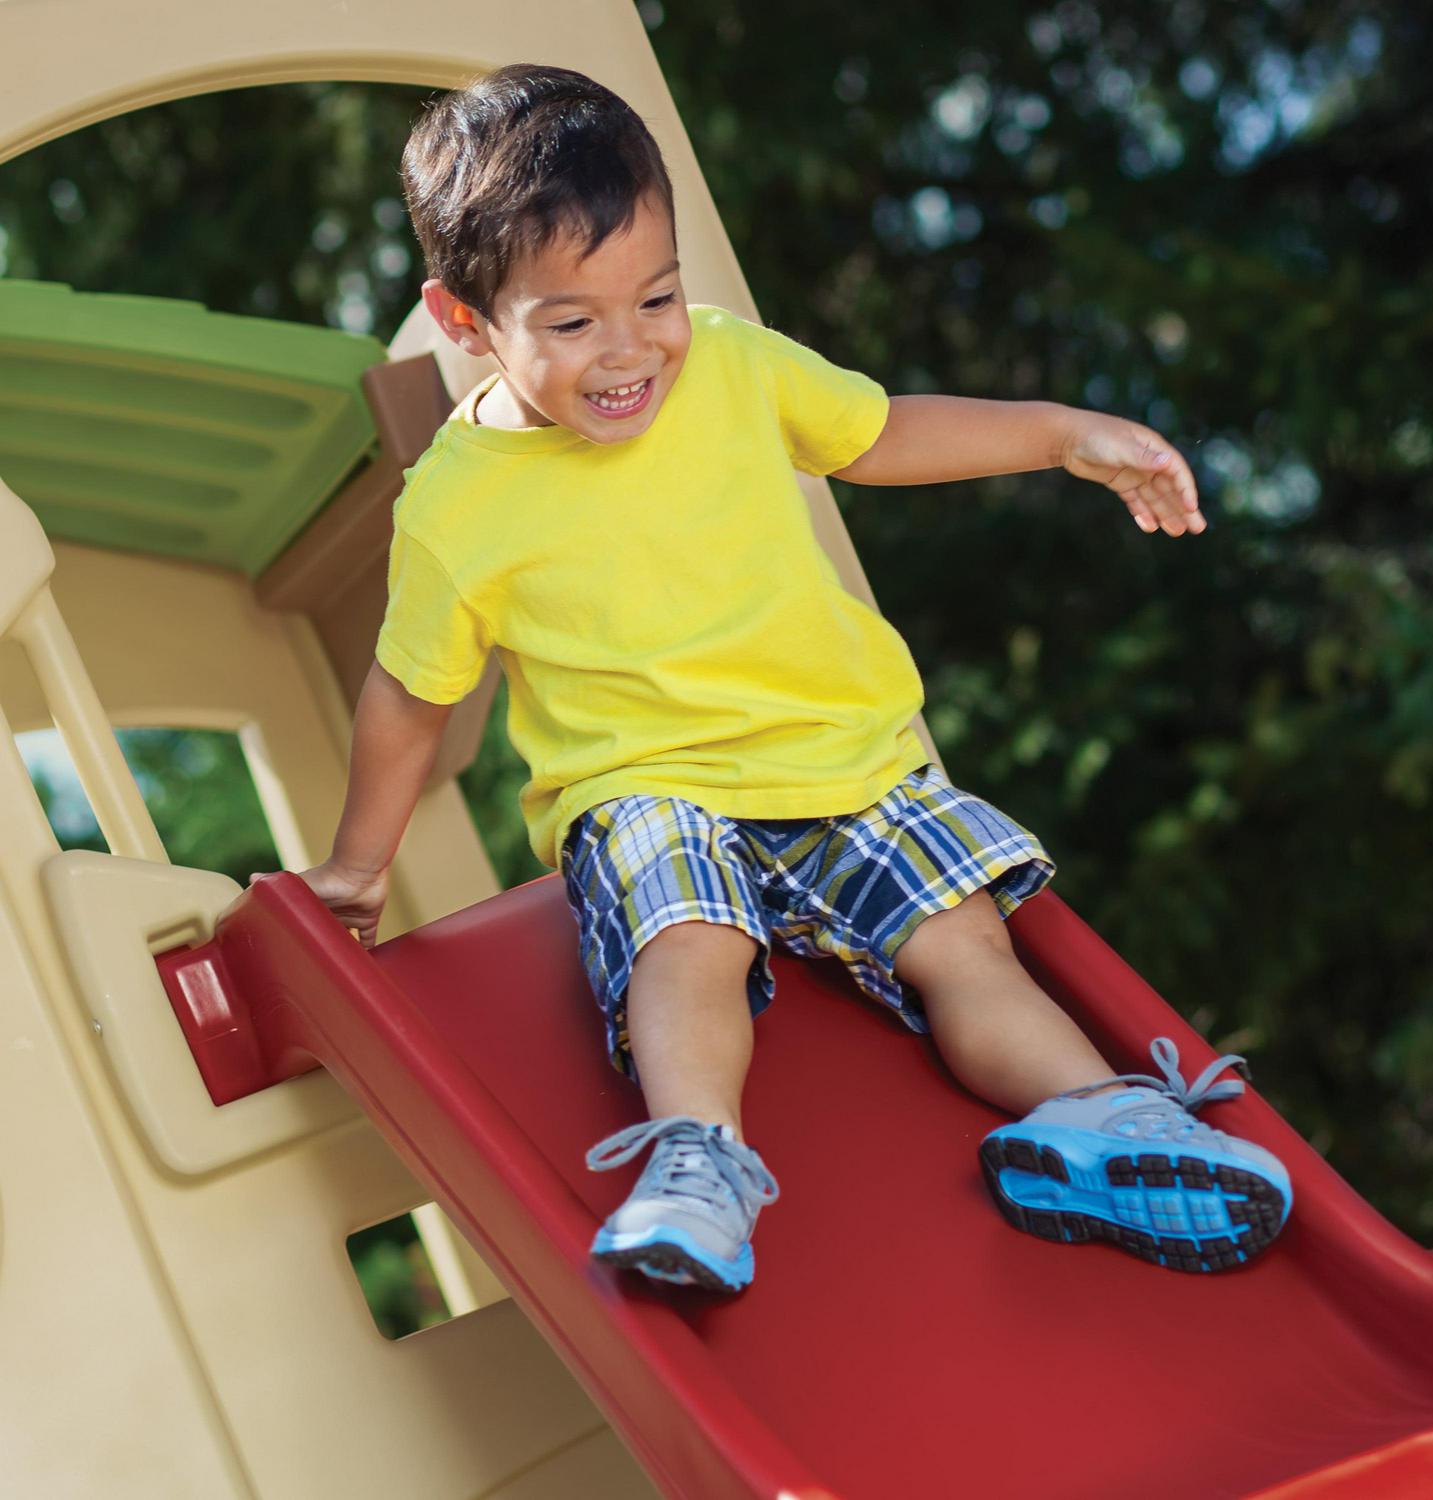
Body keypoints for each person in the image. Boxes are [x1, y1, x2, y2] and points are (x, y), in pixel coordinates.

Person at [272, 62, 1292, 1293]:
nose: (630, 350)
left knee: (965, 945)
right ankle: (701, 1161)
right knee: (686, 934)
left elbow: (880, 433)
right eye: (573, 323)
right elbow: (412, 692)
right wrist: (359, 866)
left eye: (656, 296)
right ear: (465, 319)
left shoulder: (731, 364)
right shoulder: (455, 506)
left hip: (844, 760)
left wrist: (1062, 434)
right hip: (649, 785)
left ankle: (1098, 1127)